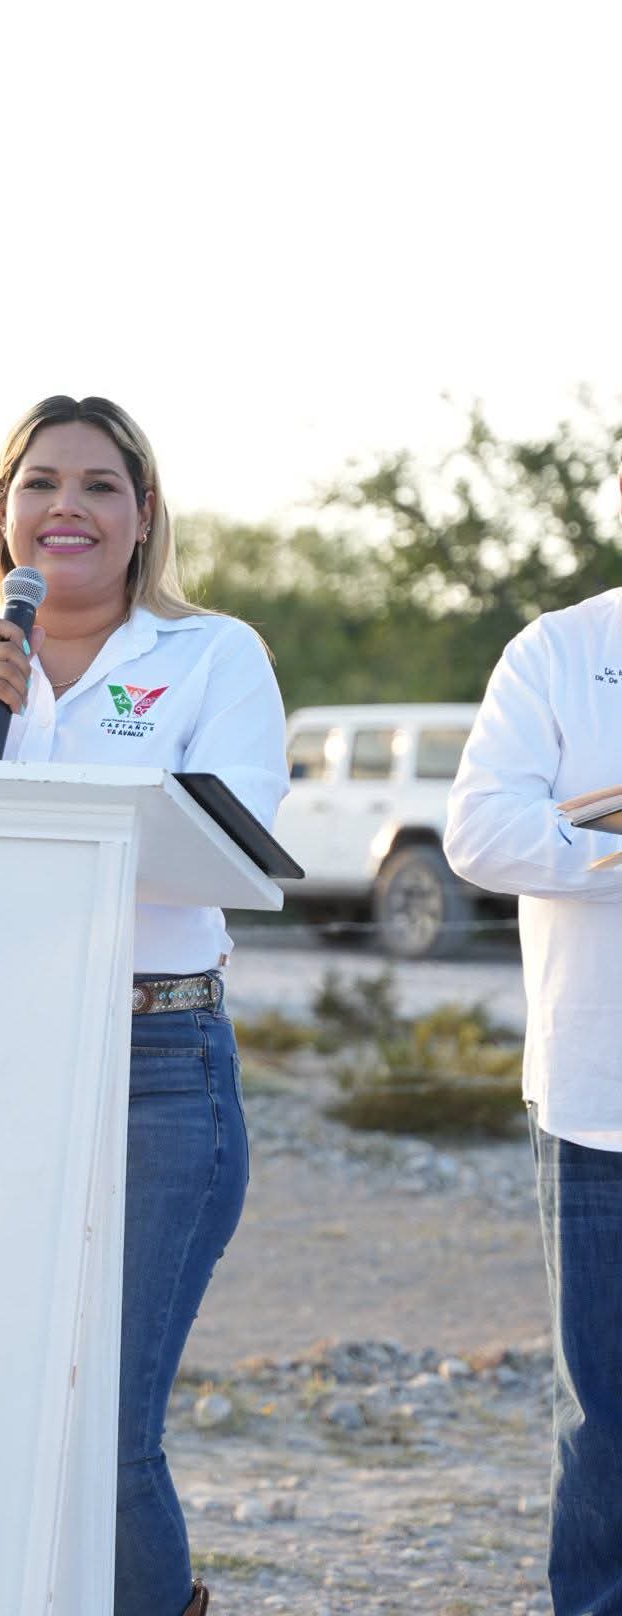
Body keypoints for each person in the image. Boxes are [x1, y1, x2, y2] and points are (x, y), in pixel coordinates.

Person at [0, 395, 289, 1616]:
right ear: (2, 511)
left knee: (104, 1423)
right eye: (41, 482)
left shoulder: (215, 656)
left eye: (101, 485)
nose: (69, 506)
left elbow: (236, 853)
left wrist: (31, 827)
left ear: (144, 515)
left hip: (156, 1058)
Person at [444, 478, 622, 1616]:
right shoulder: (560, 652)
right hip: (601, 1104)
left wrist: (592, 823)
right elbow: (480, 830)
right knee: (606, 1418)